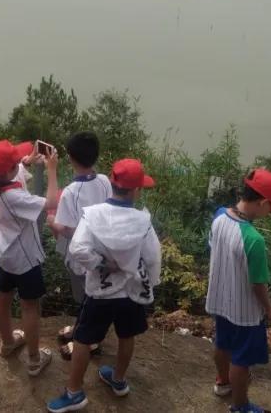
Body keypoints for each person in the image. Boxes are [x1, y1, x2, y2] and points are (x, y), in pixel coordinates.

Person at [46, 158, 162, 412]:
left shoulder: (94, 215)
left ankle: (74, 392)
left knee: (84, 339)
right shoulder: (142, 222)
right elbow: (153, 257)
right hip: (131, 293)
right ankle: (118, 380)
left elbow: (77, 249)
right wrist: (148, 284)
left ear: (111, 182)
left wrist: (101, 264)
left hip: (99, 293)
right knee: (126, 335)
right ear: (136, 190)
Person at [207, 168, 271, 413]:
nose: (268, 214)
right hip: (245, 311)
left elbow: (213, 246)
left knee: (222, 343)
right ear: (261, 202)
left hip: (220, 299)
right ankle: (240, 406)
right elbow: (257, 284)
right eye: (269, 209)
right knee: (241, 360)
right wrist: (270, 309)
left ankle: (222, 382)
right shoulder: (254, 240)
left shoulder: (219, 216)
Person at [0, 138, 60, 376]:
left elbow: (12, 176)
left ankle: (8, 343)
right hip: (24, 258)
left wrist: (24, 163)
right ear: (6, 170)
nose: (19, 162)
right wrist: (51, 169)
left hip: (4, 253)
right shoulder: (14, 198)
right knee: (29, 306)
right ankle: (35, 359)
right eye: (15, 161)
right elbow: (51, 202)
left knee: (4, 297)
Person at [48, 131, 113, 360]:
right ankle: (80, 331)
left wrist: (51, 222)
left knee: (88, 299)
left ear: (71, 158)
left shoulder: (72, 192)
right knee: (89, 298)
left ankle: (88, 342)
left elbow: (67, 229)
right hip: (103, 249)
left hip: (82, 256)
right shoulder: (105, 181)